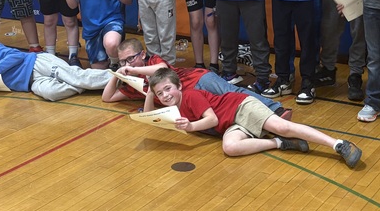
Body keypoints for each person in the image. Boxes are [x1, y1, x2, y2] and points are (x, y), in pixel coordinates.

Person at [144, 69, 361, 167]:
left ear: (179, 86)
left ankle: (338, 144)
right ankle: (280, 143)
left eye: (168, 89)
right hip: (231, 124)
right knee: (230, 147)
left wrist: (191, 126)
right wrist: (149, 94)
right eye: (160, 93)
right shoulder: (172, 106)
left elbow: (211, 120)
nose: (165, 95)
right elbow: (148, 116)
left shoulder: (189, 95)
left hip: (239, 107)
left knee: (282, 126)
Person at [103, 38, 289, 118]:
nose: (128, 64)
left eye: (131, 58)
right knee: (229, 104)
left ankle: (276, 109)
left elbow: (161, 69)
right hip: (192, 99)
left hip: (198, 80)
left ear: (142, 54)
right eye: (123, 61)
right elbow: (108, 98)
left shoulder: (153, 60)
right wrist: (116, 74)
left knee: (233, 92)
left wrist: (134, 71)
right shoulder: (132, 83)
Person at [0, 28, 113, 101]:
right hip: (32, 83)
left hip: (37, 63)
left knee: (78, 76)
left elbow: (16, 56)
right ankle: (82, 84)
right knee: (50, 94)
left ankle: (124, 76)